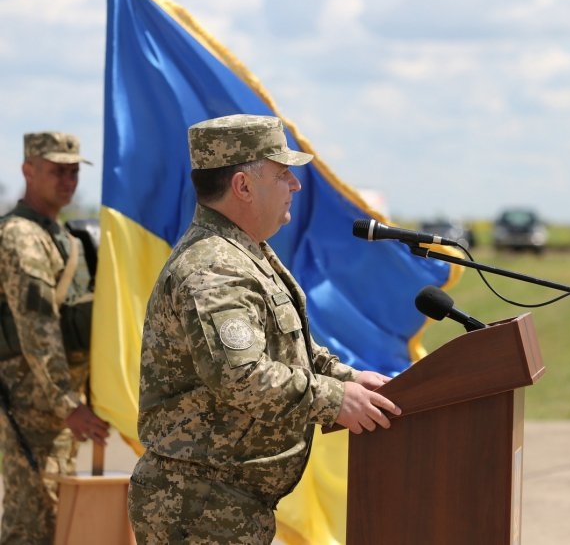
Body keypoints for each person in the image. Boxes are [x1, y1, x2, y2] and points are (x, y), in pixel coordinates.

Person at [127, 114, 401, 544]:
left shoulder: (245, 253)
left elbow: (290, 353)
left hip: (224, 502)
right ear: (242, 186)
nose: (295, 185)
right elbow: (242, 376)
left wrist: (348, 378)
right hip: (199, 505)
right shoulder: (214, 268)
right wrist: (334, 399)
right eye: (282, 173)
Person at [0, 132, 110, 544]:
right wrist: (68, 403)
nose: (67, 181)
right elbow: (37, 327)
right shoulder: (21, 236)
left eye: (73, 172)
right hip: (33, 404)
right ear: (28, 170)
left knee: (57, 520)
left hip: (62, 403)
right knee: (32, 524)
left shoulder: (62, 235)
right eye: (56, 171)